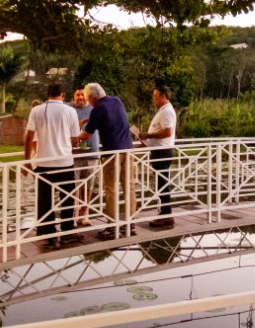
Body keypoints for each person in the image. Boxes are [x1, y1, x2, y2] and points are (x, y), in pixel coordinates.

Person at [24, 83, 83, 249]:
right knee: (67, 198)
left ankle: (47, 232)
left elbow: (29, 137)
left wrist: (27, 160)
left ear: (47, 95)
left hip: (43, 162)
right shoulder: (70, 111)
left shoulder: (36, 111)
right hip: (65, 162)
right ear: (63, 95)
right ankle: (66, 231)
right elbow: (75, 137)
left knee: (44, 200)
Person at [78, 82, 136, 239]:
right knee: (129, 186)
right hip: (128, 150)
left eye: (86, 98)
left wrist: (73, 139)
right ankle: (130, 224)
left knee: (111, 189)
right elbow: (109, 115)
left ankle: (112, 226)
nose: (87, 101)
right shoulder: (116, 101)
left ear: (91, 97)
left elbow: (87, 135)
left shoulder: (97, 109)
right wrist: (88, 120)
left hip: (112, 153)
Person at [143, 85, 177, 229]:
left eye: (155, 97)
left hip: (163, 151)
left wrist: (148, 135)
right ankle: (164, 213)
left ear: (163, 97)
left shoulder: (166, 112)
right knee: (161, 182)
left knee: (163, 183)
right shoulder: (164, 111)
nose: (153, 99)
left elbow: (168, 132)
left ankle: (166, 215)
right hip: (159, 151)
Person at [69, 87, 100, 226]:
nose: (80, 98)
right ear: (73, 96)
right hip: (74, 154)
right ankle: (73, 216)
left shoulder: (94, 109)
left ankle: (85, 215)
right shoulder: (68, 109)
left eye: (82, 95)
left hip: (92, 153)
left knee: (88, 186)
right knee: (74, 186)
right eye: (77, 95)